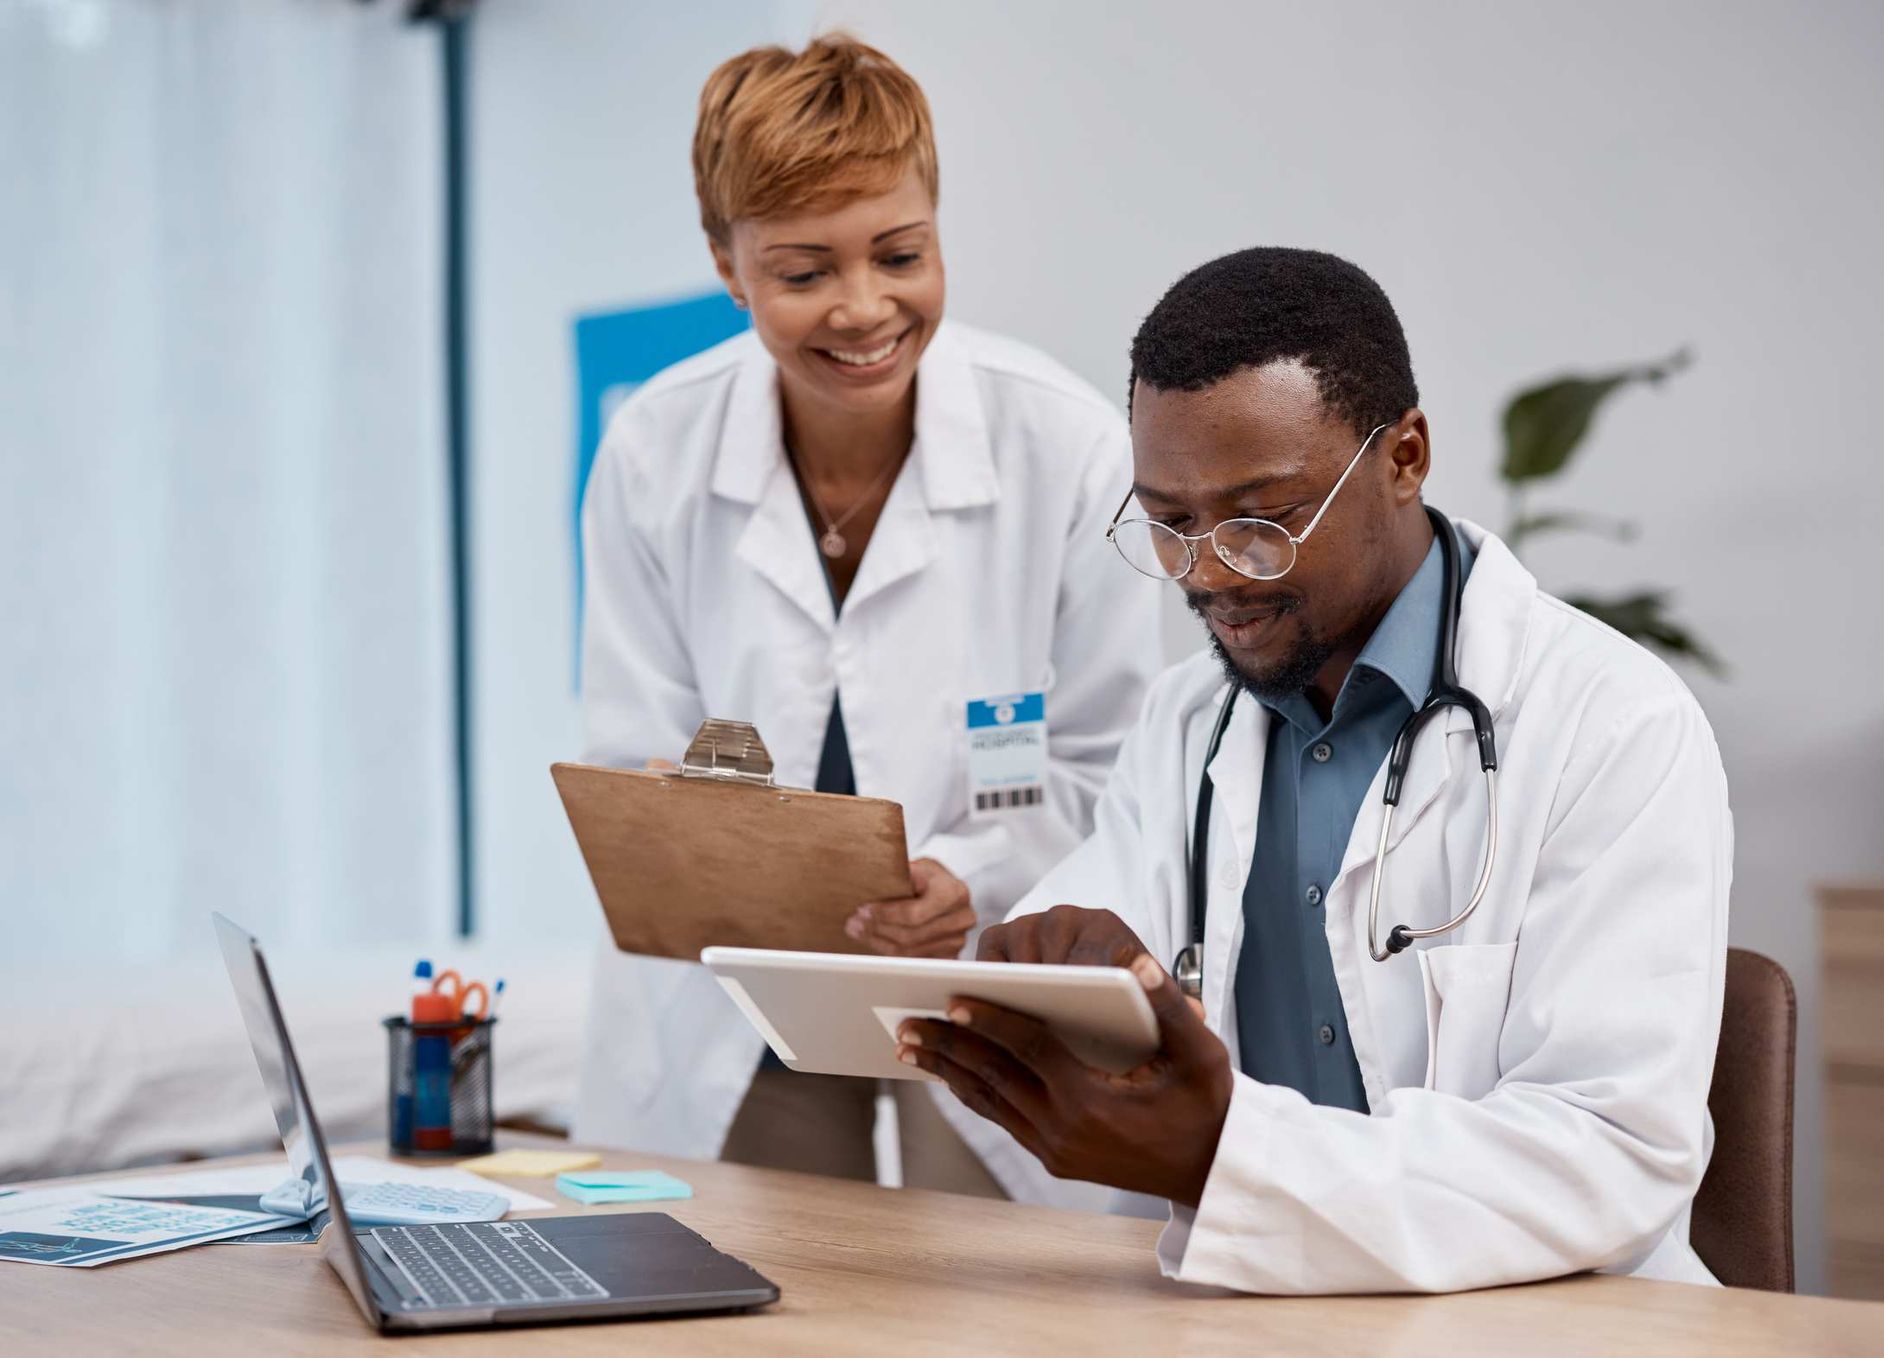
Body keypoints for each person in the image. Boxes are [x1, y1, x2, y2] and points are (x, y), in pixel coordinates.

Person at [895, 247, 1733, 1290]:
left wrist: (1225, 1151)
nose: (1207, 573)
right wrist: (1046, 980)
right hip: (1254, 1313)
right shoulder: (1186, 721)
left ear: (1405, 456)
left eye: (1264, 517)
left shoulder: (1611, 721)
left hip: (1549, 1321)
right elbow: (1098, 952)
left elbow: (1612, 1151)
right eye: (1170, 522)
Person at [571, 36, 1160, 1196]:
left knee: (983, 1297)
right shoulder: (654, 448)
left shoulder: (1069, 446)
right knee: (758, 1288)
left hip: (985, 966)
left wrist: (970, 874)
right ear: (727, 266)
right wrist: (706, 836)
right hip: (742, 979)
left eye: (902, 253)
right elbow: (629, 749)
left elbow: (1113, 760)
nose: (864, 307)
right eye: (803, 272)